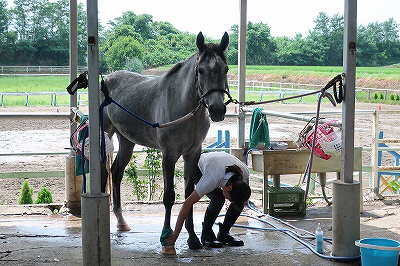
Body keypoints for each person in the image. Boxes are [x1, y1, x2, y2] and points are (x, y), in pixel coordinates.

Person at [166, 151, 251, 248]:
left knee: (240, 201)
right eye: (229, 198)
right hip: (198, 167)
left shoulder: (244, 172)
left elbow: (240, 192)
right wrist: (176, 234)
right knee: (218, 199)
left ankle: (224, 233)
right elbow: (187, 204)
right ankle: (206, 234)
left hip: (218, 163)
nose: (228, 200)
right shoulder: (211, 179)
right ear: (229, 187)